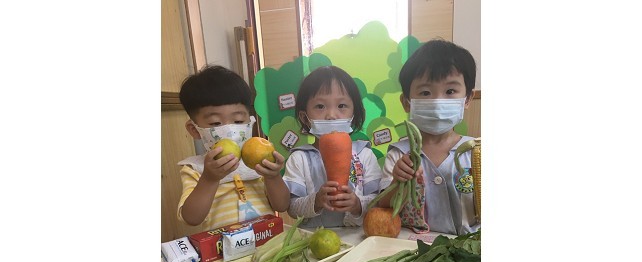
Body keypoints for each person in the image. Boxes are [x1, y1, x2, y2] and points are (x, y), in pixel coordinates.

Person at [377, 39, 480, 235]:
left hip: (467, 244)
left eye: (450, 91)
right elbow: (384, 205)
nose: (438, 101)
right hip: (411, 245)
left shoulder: (475, 152)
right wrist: (398, 183)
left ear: (467, 99)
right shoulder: (398, 154)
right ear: (406, 103)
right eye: (425, 92)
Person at [176, 65, 290, 231]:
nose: (229, 130)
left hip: (268, 242)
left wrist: (273, 177)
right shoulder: (195, 170)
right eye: (215, 123)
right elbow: (191, 218)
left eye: (238, 121)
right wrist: (209, 179)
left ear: (250, 121)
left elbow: (282, 205)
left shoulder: (258, 163)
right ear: (194, 129)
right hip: (223, 246)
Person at [282, 66, 382, 229]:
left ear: (354, 114)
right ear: (305, 118)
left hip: (359, 239)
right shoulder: (299, 158)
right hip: (314, 239)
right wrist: (316, 201)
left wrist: (357, 204)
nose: (331, 115)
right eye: (320, 106)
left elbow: (378, 200)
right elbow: (292, 208)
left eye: (341, 106)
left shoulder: (364, 154)